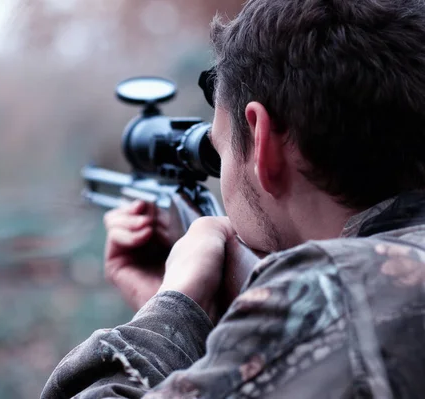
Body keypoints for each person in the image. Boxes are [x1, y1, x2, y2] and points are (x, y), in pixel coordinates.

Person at [42, 0, 425, 397]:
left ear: (263, 144)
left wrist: (171, 310)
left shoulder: (330, 290)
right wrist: (210, 320)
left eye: (218, 151)